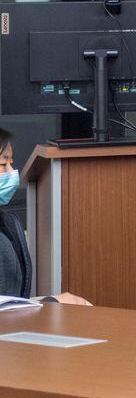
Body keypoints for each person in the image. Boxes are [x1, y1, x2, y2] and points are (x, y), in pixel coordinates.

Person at [0, 128, 90, 306]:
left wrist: (47, 302)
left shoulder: (7, 224)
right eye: (3, 164)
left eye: (11, 162)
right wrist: (51, 302)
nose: (12, 171)